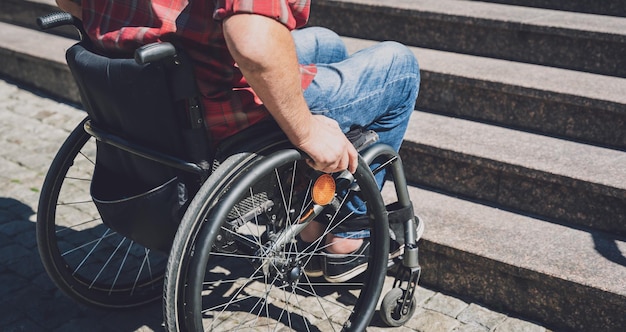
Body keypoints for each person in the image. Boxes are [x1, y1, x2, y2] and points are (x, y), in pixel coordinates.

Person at [56, 0, 421, 282]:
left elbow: (70, 3)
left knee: (325, 44)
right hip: (221, 116)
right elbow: (253, 45)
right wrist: (308, 132)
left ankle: (309, 214)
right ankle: (347, 234)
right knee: (399, 67)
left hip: (156, 105)